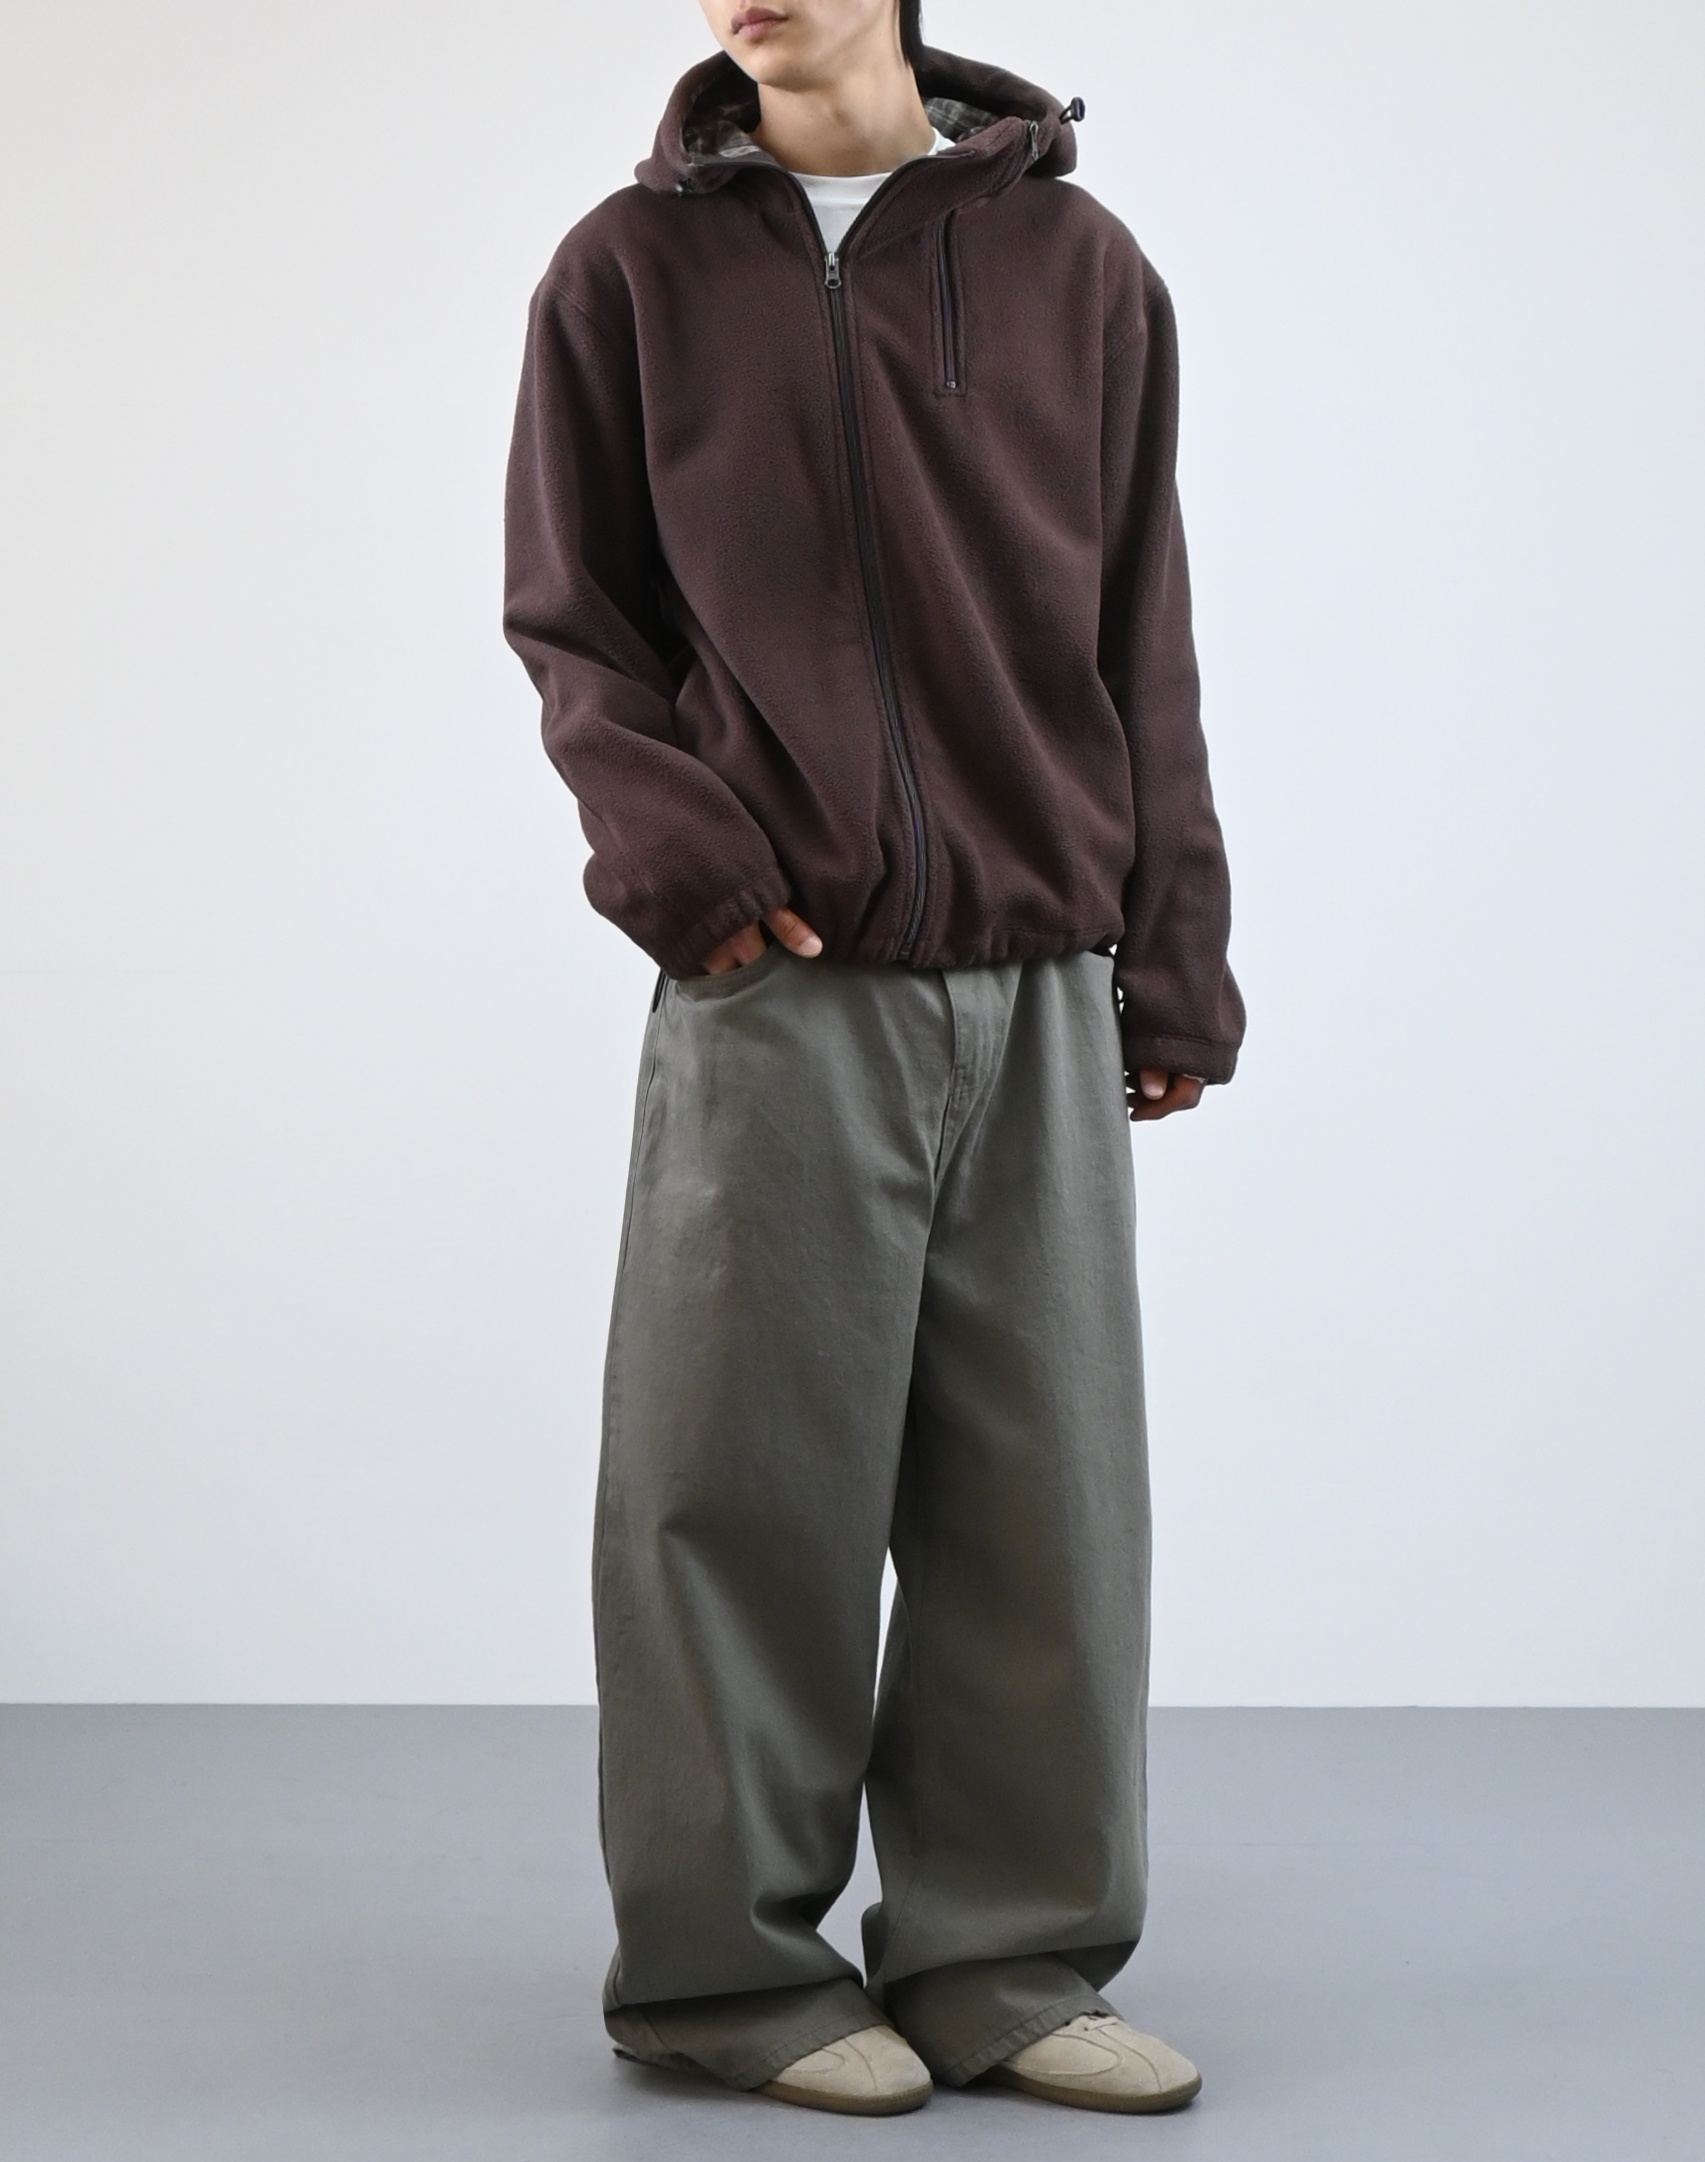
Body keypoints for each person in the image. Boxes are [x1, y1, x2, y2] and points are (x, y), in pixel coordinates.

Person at [503, 0, 1244, 2119]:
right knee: (736, 1490)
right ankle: (724, 1973)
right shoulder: (627, 269)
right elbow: (574, 619)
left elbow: (1141, 630)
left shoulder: (1077, 267)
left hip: (1037, 967)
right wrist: (685, 865)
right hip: (779, 978)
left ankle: (1004, 1958)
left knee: (1042, 1499)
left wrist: (1172, 950)